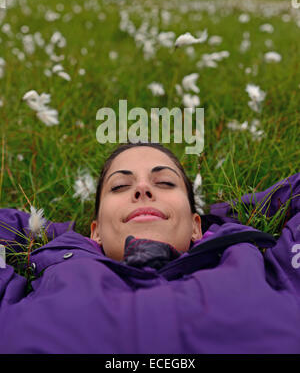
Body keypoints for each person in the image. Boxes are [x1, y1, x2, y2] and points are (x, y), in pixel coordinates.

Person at [0, 142, 299, 354]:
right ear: (96, 231)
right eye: (119, 186)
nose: (143, 189)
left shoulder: (262, 270)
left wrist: (231, 215)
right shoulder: (59, 272)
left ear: (197, 226)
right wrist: (54, 235)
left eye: (166, 183)